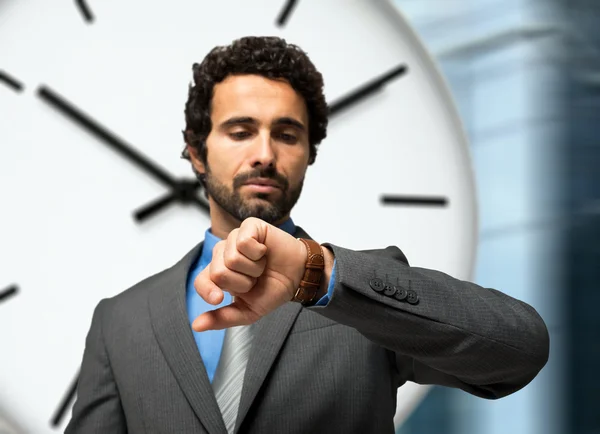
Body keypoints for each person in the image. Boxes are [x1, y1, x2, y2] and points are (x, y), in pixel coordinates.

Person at [65, 36, 550, 434]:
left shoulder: (361, 286)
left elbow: (518, 353)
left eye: (287, 134)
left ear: (309, 153)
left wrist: (316, 276)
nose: (264, 154)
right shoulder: (120, 320)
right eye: (240, 131)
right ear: (195, 153)